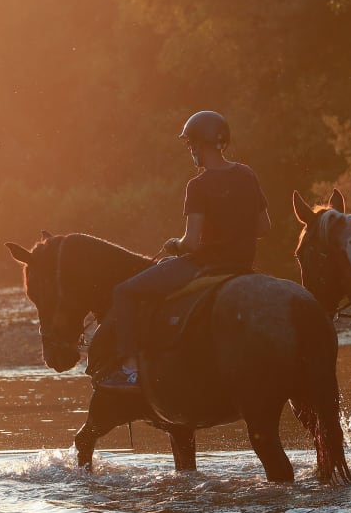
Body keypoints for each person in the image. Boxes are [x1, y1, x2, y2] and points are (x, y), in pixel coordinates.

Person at [99, 110, 271, 390]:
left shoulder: (198, 186)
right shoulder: (246, 174)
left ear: (198, 145)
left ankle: (130, 370)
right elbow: (264, 227)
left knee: (124, 291)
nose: (191, 150)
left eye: (191, 144)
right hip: (242, 265)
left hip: (204, 266)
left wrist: (175, 245)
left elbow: (190, 243)